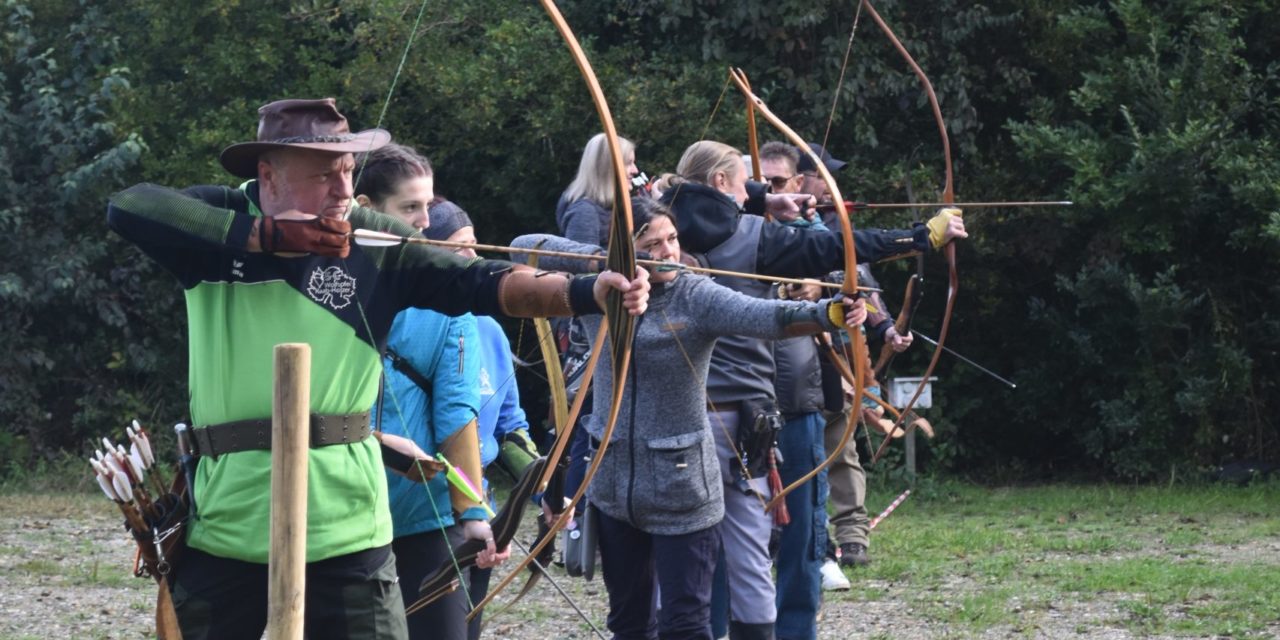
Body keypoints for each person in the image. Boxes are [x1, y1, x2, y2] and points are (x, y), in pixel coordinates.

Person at [105, 98, 649, 640]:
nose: (343, 191)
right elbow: (130, 205)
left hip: (349, 533)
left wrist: (585, 290)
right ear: (268, 177)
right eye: (323, 176)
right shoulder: (216, 225)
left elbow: (481, 281)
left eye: (347, 171)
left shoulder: (375, 240)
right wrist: (265, 238)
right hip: (227, 528)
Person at [509, 199, 868, 640]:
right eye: (652, 243)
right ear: (625, 249)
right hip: (614, 484)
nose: (668, 252)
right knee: (628, 622)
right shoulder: (596, 290)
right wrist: (606, 268)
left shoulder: (695, 294)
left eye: (672, 239)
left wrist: (828, 312)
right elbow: (520, 247)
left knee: (686, 623)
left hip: (683, 488)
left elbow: (765, 316)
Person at [660, 140, 965, 640]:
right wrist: (920, 237)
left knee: (726, 540)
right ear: (720, 184)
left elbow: (833, 262)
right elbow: (835, 248)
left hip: (768, 401)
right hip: (750, 406)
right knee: (745, 541)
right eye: (747, 181)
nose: (759, 190)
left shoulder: (660, 221)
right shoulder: (743, 234)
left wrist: (764, 207)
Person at [352, 143, 509, 640]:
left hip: (425, 518)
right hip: (343, 513)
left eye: (427, 205)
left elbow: (458, 413)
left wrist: (473, 513)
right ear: (366, 208)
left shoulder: (449, 303)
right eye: (409, 207)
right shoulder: (326, 282)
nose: (424, 220)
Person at [425, 197, 544, 640]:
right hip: (419, 511)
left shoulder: (488, 329)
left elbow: (510, 427)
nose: (473, 258)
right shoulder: (399, 325)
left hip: (480, 510)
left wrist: (544, 488)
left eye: (474, 245)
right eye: (459, 248)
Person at [556, 132, 640, 246]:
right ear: (608, 167)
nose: (635, 170)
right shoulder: (585, 213)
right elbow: (582, 261)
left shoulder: (611, 208)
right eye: (628, 163)